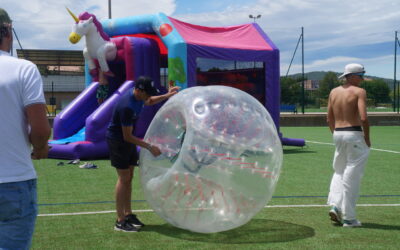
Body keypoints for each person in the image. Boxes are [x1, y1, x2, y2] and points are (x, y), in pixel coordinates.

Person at [0, 8, 51, 249]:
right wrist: (40, 147)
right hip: (12, 180)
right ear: (7, 31)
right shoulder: (23, 69)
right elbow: (40, 130)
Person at [106, 76, 179, 232]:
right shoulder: (127, 106)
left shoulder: (139, 96)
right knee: (123, 178)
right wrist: (149, 146)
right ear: (138, 90)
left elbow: (150, 101)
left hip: (128, 141)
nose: (149, 96)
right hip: (118, 141)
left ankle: (128, 214)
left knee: (129, 176)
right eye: (147, 93)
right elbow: (127, 136)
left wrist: (167, 95)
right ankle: (120, 221)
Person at [326, 63, 371, 227]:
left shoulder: (334, 92)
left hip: (338, 133)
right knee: (353, 175)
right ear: (351, 76)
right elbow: (364, 118)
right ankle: (349, 218)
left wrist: (336, 134)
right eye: (360, 75)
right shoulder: (359, 92)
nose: (361, 78)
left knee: (339, 171)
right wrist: (367, 137)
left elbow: (328, 118)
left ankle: (335, 205)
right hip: (354, 134)